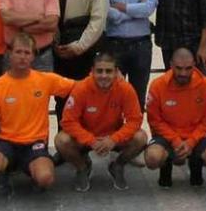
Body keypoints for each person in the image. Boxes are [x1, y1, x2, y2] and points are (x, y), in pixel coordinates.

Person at [0, 33, 76, 192]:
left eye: (27, 53)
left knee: (45, 179)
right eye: (18, 52)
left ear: (33, 57)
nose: (22, 57)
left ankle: (33, 170)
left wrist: (111, 78)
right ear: (9, 54)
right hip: (6, 142)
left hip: (34, 143)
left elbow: (79, 86)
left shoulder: (46, 80)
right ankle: (4, 171)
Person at [54, 52, 147, 191]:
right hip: (86, 138)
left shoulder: (125, 88)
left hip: (113, 136)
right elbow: (68, 122)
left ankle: (118, 165)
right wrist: (91, 140)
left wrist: (113, 139)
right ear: (92, 71)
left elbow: (134, 120)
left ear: (116, 72)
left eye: (108, 71)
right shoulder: (81, 89)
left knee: (141, 137)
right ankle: (82, 167)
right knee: (61, 140)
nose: (104, 75)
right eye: (99, 71)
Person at [42, 0, 108, 124]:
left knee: (85, 98)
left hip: (84, 51)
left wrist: (78, 47)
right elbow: (42, 13)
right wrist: (53, 42)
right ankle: (63, 145)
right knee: (60, 98)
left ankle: (84, 144)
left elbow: (98, 20)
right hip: (55, 49)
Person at [145, 48, 206, 188]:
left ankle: (196, 162)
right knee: (152, 158)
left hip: (196, 137)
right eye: (179, 68)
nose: (183, 73)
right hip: (166, 137)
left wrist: (191, 142)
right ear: (170, 65)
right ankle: (166, 165)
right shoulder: (157, 85)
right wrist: (175, 140)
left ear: (194, 65)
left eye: (188, 68)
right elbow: (155, 121)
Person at [103, 0, 158, 107]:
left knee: (137, 99)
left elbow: (149, 8)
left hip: (141, 46)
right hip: (114, 44)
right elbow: (107, 11)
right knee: (111, 98)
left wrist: (123, 7)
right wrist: (135, 9)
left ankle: (134, 134)